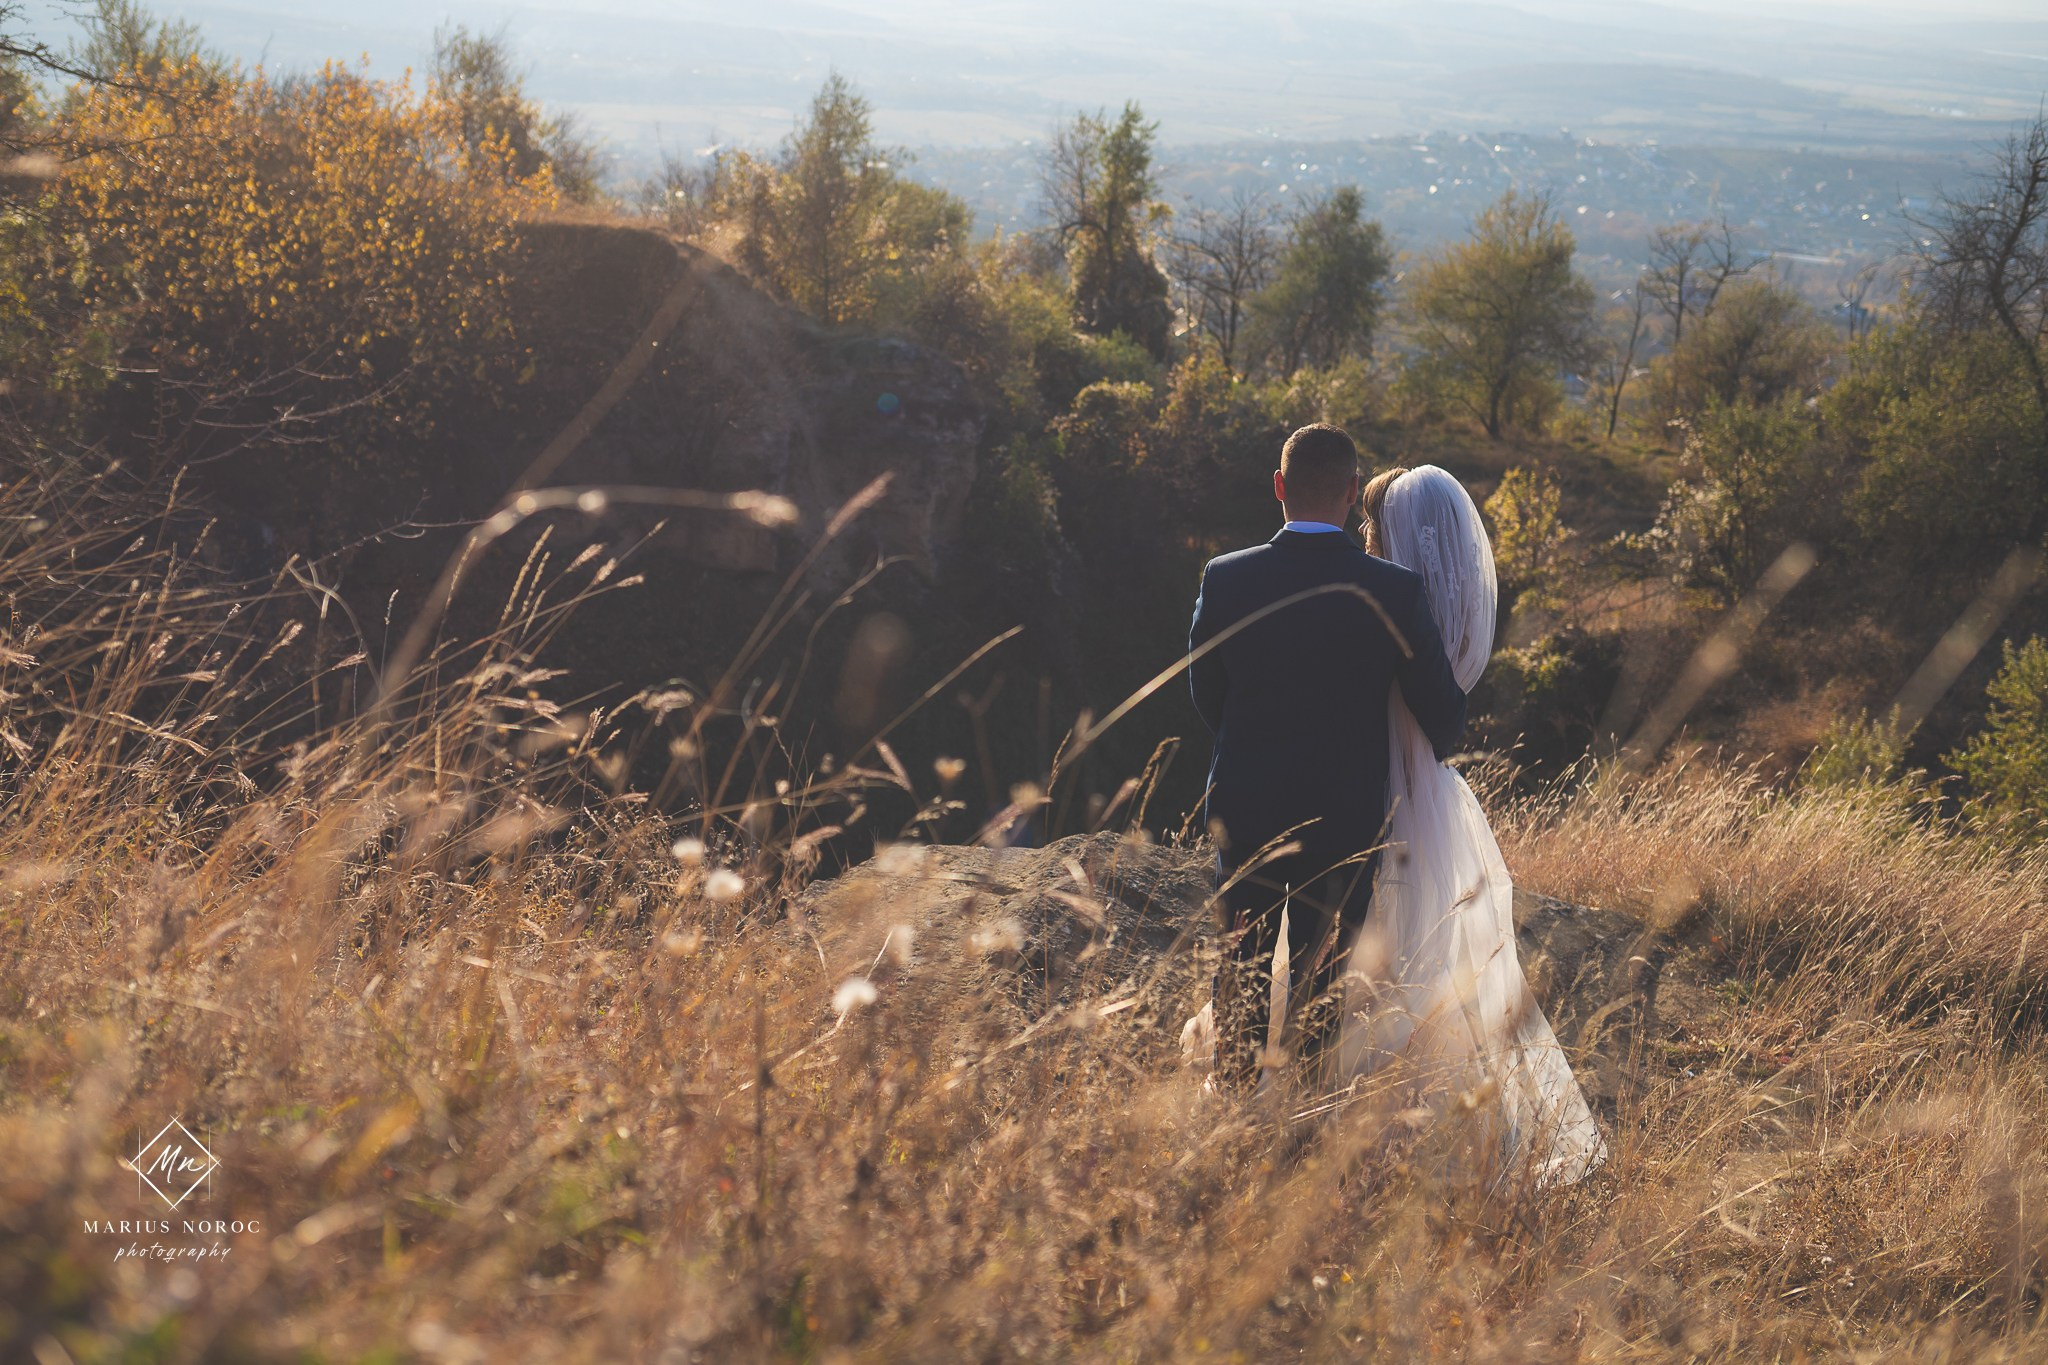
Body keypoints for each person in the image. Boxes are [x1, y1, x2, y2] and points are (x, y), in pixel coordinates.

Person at [1338, 463, 1605, 1188]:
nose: (1363, 535)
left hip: (1376, 791)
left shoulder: (1379, 606)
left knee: (1392, 952)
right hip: (1430, 794)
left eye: (1372, 525)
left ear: (1394, 535)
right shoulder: (1436, 619)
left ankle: (1384, 1127)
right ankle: (1446, 1122)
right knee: (1436, 960)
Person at [1186, 425, 1467, 1092]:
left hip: (1246, 808)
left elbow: (1206, 691)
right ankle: (1301, 1139)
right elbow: (1444, 718)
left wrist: (1250, 748)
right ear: (1350, 491)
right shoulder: (1395, 591)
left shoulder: (1226, 577)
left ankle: (1229, 1124)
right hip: (1344, 821)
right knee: (1319, 996)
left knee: (1242, 981)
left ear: (1279, 486)